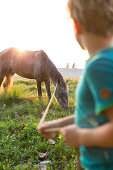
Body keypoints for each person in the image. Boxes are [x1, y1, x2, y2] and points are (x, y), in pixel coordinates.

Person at [38, 0, 113, 169]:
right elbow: (91, 116)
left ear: (77, 26)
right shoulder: (106, 62)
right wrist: (57, 124)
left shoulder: (99, 67)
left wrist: (81, 137)